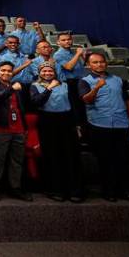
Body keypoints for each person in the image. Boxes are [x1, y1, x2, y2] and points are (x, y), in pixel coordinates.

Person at [79, 52, 129, 202]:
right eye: (95, 62)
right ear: (89, 65)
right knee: (106, 160)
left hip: (121, 124)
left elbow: (128, 102)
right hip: (99, 125)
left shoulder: (118, 79)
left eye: (101, 62)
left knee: (123, 159)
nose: (99, 64)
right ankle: (108, 191)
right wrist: (96, 88)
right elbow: (86, 100)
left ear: (106, 63)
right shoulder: (84, 81)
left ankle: (125, 191)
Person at [30, 62, 84, 202]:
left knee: (70, 156)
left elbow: (73, 106)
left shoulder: (65, 85)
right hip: (48, 122)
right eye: (44, 71)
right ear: (39, 73)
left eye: (50, 71)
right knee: (53, 156)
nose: (47, 73)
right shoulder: (35, 86)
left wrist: (77, 125)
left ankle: (74, 190)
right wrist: (49, 88)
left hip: (66, 122)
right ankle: (55, 189)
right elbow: (37, 102)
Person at [0, 61, 33, 202]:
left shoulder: (17, 86)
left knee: (17, 161)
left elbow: (20, 108)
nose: (6, 73)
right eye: (3, 70)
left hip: (18, 128)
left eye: (9, 71)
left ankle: (15, 188)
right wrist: (11, 90)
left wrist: (24, 127)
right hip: (1, 128)